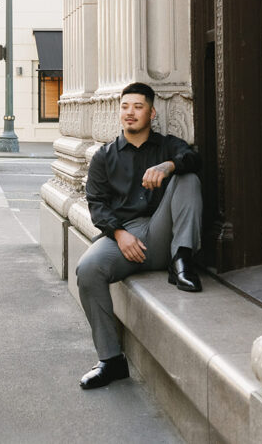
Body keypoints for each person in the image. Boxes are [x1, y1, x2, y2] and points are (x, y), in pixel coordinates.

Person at [76, 82, 203, 390]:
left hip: (163, 234)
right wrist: (120, 235)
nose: (130, 113)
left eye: (138, 107)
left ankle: (183, 260)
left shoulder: (167, 146)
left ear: (151, 112)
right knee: (87, 270)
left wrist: (169, 164)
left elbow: (194, 159)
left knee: (187, 177)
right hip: (125, 237)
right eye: (125, 107)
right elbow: (97, 205)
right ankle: (111, 361)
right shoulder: (104, 157)